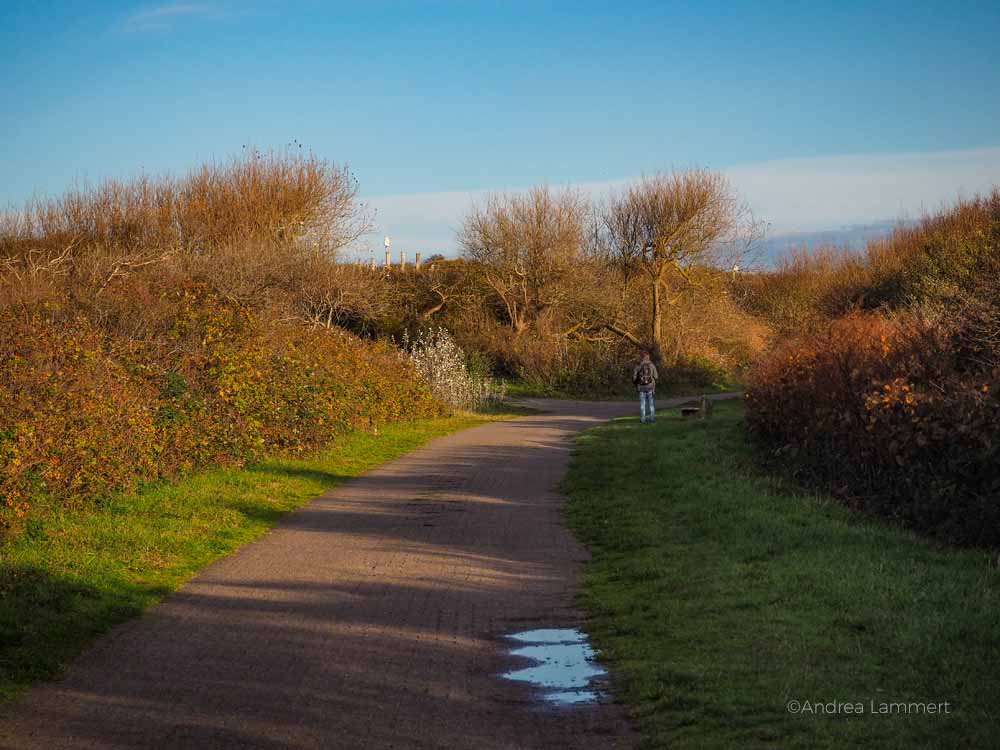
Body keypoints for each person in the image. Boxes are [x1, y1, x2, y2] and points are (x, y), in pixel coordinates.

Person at [632, 351, 659, 423]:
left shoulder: (638, 365)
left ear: (641, 357)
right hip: (650, 387)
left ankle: (642, 419)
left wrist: (636, 383)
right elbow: (656, 377)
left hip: (641, 388)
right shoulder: (652, 365)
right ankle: (652, 418)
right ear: (648, 357)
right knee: (651, 403)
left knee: (642, 404)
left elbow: (634, 378)